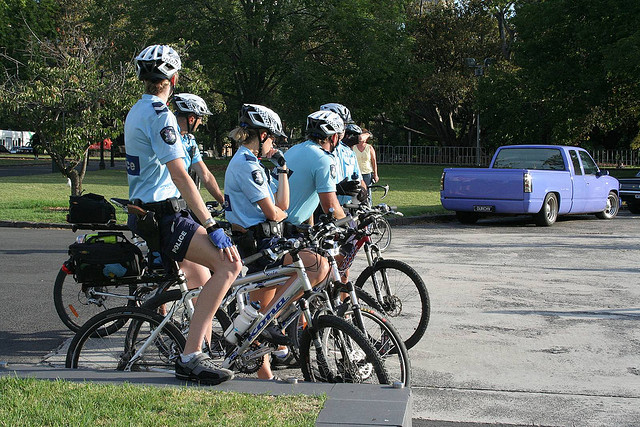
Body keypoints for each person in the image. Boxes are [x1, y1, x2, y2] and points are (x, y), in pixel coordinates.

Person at [125, 44, 242, 385]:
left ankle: (199, 349)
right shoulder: (161, 115)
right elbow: (180, 175)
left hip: (150, 212)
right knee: (230, 264)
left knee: (202, 280)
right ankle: (190, 356)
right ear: (173, 79)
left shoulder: (136, 110)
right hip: (164, 214)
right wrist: (211, 222)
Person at [225, 104, 328, 380]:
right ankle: (265, 373)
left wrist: (282, 169)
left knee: (318, 266)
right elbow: (274, 212)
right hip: (257, 243)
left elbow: (283, 205)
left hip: (269, 240)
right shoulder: (246, 164)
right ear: (260, 135)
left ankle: (268, 326)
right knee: (264, 309)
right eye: (272, 137)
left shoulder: (255, 164)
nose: (273, 143)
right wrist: (279, 212)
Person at [278, 110, 347, 225]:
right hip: (287, 228)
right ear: (334, 137)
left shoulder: (294, 149)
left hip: (276, 222)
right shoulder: (323, 159)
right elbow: (330, 207)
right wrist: (349, 226)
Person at [173, 93, 224, 205]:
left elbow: (205, 174)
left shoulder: (189, 140)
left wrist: (223, 202)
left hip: (180, 201)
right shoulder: (169, 138)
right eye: (200, 118)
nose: (201, 122)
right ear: (191, 119)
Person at [319, 103, 367, 206]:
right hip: (325, 209)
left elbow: (359, 179)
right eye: (340, 123)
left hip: (348, 208)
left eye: (345, 125)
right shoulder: (317, 152)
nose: (343, 128)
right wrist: (336, 189)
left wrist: (363, 191)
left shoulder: (348, 152)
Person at [353, 128, 379, 197]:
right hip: (356, 173)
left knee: (367, 192)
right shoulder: (353, 147)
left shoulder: (369, 147)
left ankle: (368, 205)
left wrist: (375, 174)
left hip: (367, 173)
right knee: (356, 192)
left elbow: (374, 161)